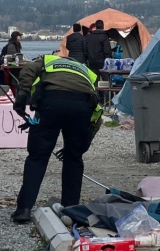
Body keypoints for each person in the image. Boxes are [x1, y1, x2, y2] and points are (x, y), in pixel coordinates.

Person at [11, 55, 102, 223]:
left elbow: (28, 71)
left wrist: (22, 96)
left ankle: (24, 209)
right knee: (74, 159)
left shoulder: (47, 60)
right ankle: (70, 211)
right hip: (82, 105)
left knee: (37, 157)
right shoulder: (87, 72)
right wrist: (81, 145)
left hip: (51, 102)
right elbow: (97, 113)